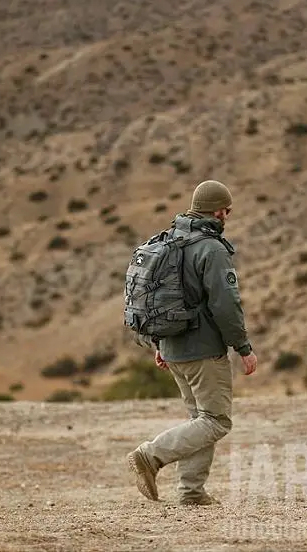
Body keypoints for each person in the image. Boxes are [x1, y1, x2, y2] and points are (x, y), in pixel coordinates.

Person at [127, 179, 258, 506]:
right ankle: (150, 455)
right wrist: (243, 347)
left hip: (171, 348)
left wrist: (158, 343)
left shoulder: (169, 240)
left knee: (200, 420)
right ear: (217, 210)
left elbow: (156, 297)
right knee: (215, 421)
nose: (227, 216)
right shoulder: (211, 248)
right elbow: (226, 305)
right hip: (203, 351)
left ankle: (191, 492)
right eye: (227, 210)